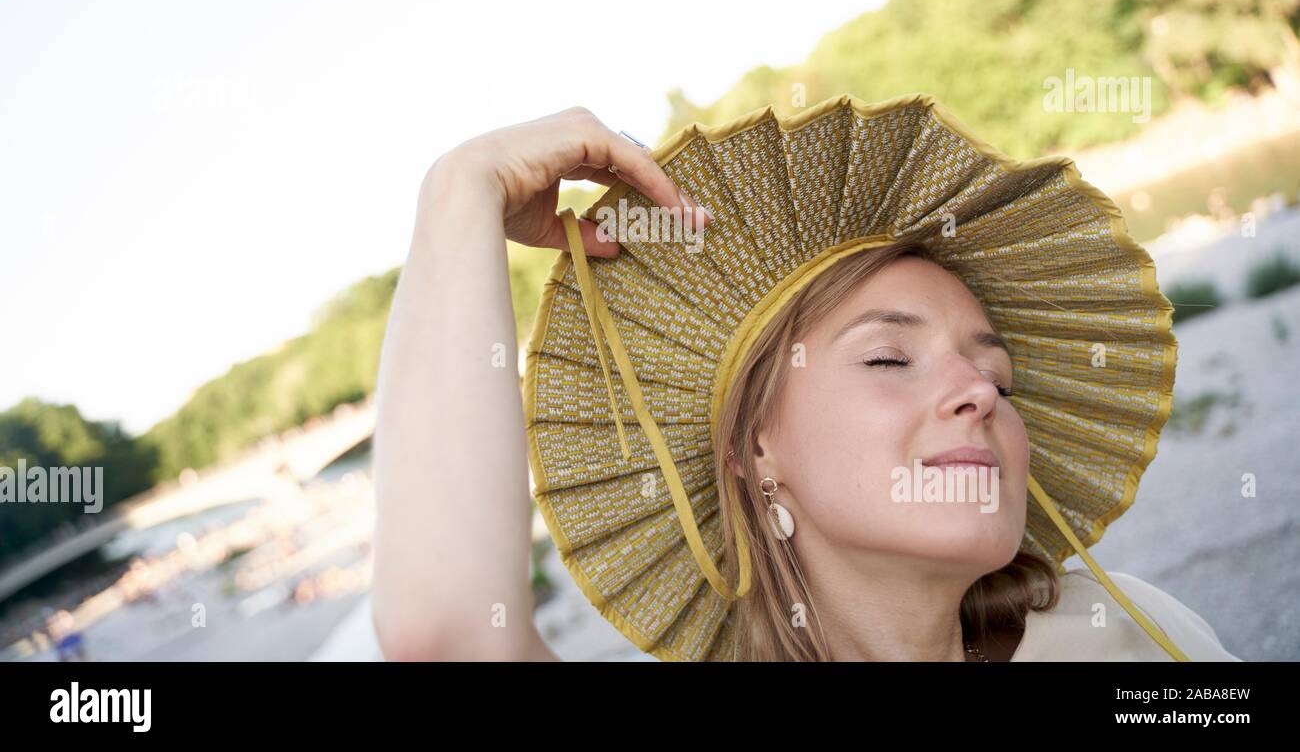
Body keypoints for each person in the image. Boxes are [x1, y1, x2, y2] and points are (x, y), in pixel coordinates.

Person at [370, 102, 1240, 662]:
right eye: (889, 358)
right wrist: (461, 190)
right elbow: (446, 636)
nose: (979, 392)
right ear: (755, 448)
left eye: (998, 379)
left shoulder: (1134, 639)